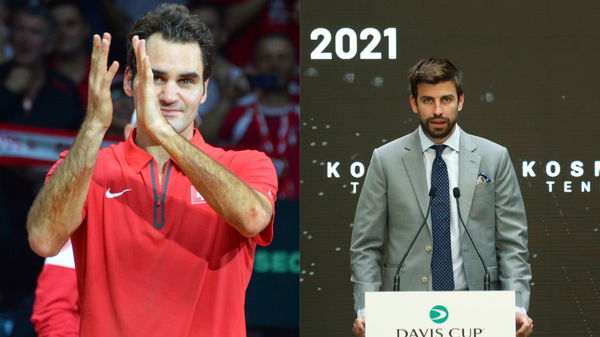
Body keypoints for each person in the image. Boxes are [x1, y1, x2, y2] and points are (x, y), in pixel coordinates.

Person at [26, 4, 277, 337]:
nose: (169, 95)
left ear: (204, 91)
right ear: (129, 82)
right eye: (156, 78)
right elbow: (43, 240)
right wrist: (92, 128)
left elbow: (252, 217)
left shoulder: (245, 164)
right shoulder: (89, 166)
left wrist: (162, 133)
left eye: (186, 81)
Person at [349, 58, 533, 337]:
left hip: (479, 311)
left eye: (445, 99)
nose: (437, 110)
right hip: (405, 313)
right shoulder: (386, 159)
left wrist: (517, 304)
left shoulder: (494, 158)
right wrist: (365, 309)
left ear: (460, 101)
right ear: (414, 103)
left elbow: (512, 243)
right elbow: (365, 245)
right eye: (427, 100)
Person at [218, 34, 299, 200]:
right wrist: (228, 98)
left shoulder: (307, 113)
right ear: (253, 66)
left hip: (301, 212)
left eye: (282, 58)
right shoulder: (238, 111)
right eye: (266, 58)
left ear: (295, 65)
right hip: (249, 209)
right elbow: (201, 141)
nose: (274, 65)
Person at [0, 3, 82, 129]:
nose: (25, 39)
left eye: (34, 32)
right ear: (10, 37)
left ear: (49, 44)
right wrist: (6, 92)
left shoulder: (64, 89)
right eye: (19, 29)